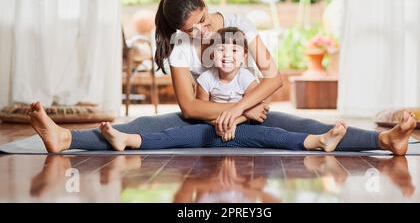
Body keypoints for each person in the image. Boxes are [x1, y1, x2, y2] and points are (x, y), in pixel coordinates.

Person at [26, 0, 416, 155]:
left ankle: (386, 142)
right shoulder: (182, 47)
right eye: (189, 30)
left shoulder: (239, 24)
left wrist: (243, 106)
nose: (199, 34)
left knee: (303, 125)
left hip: (247, 109)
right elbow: (190, 109)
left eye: (201, 23)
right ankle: (65, 139)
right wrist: (243, 112)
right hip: (222, 115)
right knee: (142, 125)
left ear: (207, 8)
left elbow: (275, 78)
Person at [98, 27, 348, 152]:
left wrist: (235, 120)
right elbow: (198, 110)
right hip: (211, 130)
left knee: (275, 134)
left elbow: (257, 107)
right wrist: (223, 121)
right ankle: (126, 139)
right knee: (173, 135)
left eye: (234, 51)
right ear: (211, 54)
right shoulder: (206, 79)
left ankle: (321, 140)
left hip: (244, 129)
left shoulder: (246, 77)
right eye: (220, 50)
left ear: (243, 56)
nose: (227, 56)